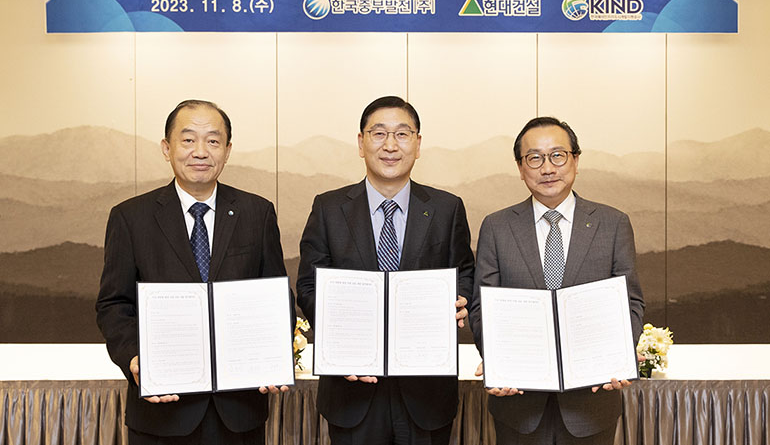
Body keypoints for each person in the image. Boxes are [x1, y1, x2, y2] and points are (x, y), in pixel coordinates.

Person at [96, 100, 291, 445]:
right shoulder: (131, 218)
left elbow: (277, 296)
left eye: (213, 141)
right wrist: (135, 358)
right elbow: (114, 304)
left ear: (227, 150)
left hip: (239, 411)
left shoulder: (256, 213)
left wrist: (273, 354)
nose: (200, 151)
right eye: (188, 140)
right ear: (166, 148)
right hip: (161, 411)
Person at [296, 96, 475, 445]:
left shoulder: (446, 208)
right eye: (378, 134)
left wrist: (462, 297)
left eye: (402, 134)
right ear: (360, 143)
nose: (390, 145)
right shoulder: (329, 208)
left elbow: (464, 271)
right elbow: (309, 286)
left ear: (418, 144)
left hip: (426, 394)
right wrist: (342, 342)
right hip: (352, 391)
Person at [468, 116, 645, 445]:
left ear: (575, 160)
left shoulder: (612, 223)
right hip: (518, 406)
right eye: (534, 158)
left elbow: (630, 302)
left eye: (557, 155)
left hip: (592, 404)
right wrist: (496, 359)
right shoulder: (497, 227)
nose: (547, 168)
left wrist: (619, 355)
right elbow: (482, 307)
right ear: (521, 168)